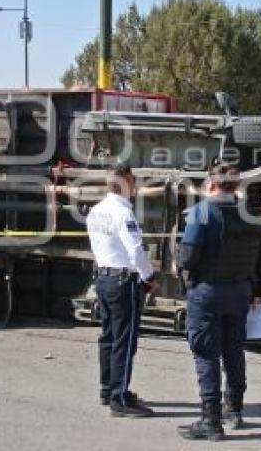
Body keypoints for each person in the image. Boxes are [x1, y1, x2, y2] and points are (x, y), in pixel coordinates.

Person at [177, 163, 261, 441]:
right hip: (241, 292)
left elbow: (187, 258)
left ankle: (210, 421)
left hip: (208, 292)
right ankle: (235, 411)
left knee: (206, 353)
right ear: (236, 186)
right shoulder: (250, 215)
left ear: (212, 185)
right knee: (234, 351)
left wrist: (178, 263)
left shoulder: (203, 212)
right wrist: (257, 291)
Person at [86, 163, 157, 418]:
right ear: (126, 183)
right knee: (124, 341)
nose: (135, 187)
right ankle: (119, 398)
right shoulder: (123, 214)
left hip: (103, 277)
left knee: (108, 336)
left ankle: (108, 389)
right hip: (122, 281)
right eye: (133, 182)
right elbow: (136, 251)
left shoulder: (96, 211)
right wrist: (149, 276)